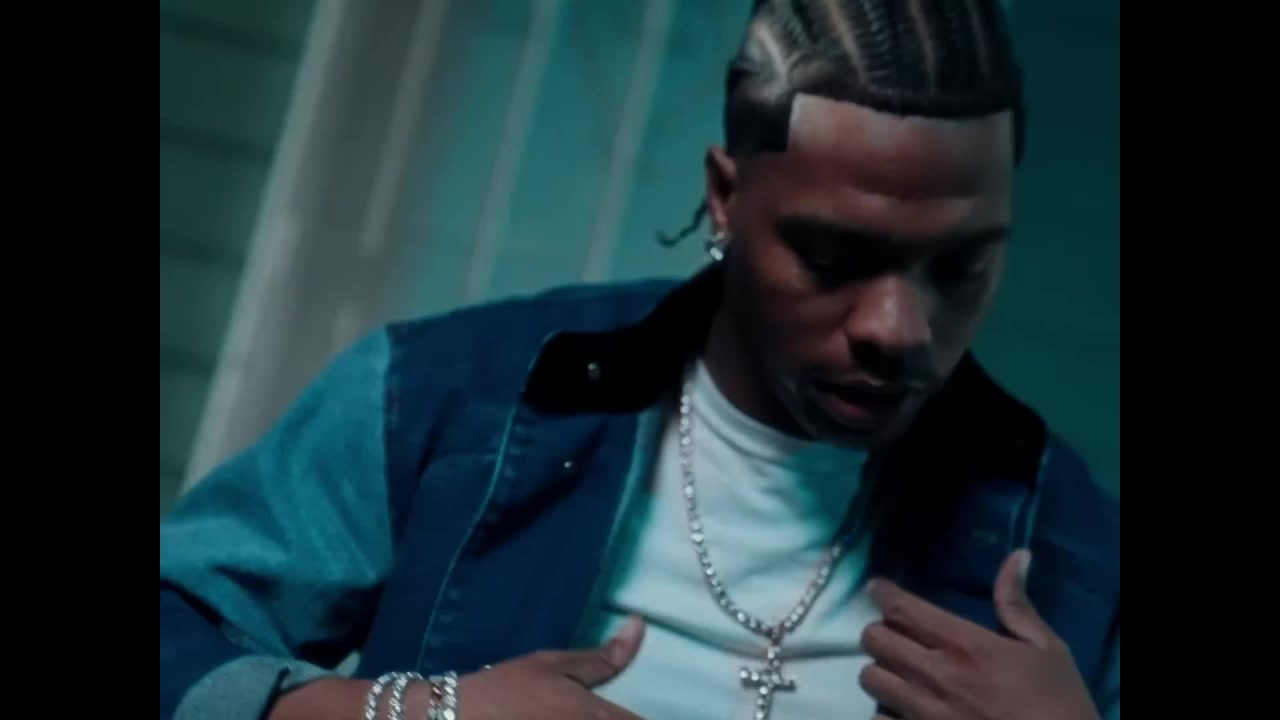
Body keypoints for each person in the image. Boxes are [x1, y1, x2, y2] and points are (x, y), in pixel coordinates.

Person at [159, 1, 1119, 719]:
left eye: (961, 267)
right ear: (725, 199)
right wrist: (412, 715)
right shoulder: (447, 398)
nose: (899, 328)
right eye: (834, 256)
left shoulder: (1072, 545)